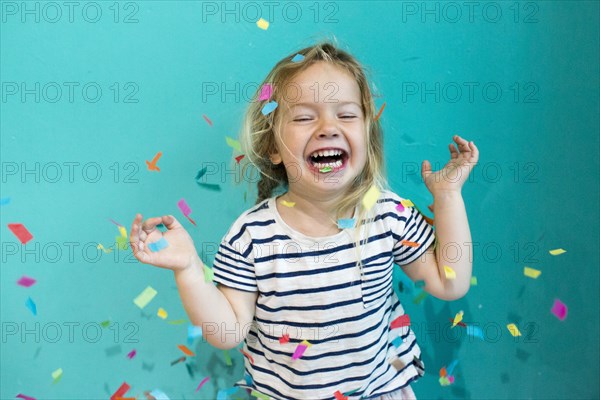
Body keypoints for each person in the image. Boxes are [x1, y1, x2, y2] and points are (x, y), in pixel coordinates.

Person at [129, 41, 479, 400]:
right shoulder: (251, 237)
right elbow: (227, 332)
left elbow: (450, 284)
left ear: (367, 137)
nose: (328, 127)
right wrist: (187, 268)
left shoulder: (388, 215)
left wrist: (448, 196)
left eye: (345, 115)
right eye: (304, 117)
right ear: (274, 147)